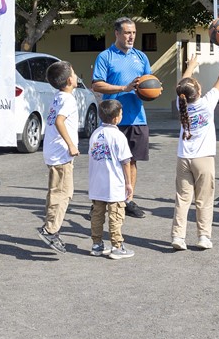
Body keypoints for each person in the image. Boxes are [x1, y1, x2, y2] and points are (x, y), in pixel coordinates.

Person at [171, 49, 219, 251]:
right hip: (203, 159)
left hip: (183, 158)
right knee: (204, 200)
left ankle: (178, 237)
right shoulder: (207, 104)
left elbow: (183, 85)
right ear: (198, 92)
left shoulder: (183, 106)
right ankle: (203, 237)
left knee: (182, 199)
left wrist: (190, 66)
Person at [92, 17, 151, 219]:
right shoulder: (105, 57)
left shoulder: (141, 57)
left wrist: (152, 91)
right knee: (107, 162)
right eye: (127, 32)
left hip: (137, 117)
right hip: (112, 120)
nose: (131, 36)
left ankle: (127, 200)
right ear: (117, 33)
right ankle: (100, 201)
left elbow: (149, 83)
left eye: (133, 32)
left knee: (132, 161)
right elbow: (97, 85)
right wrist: (123, 88)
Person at [37, 61, 79, 254]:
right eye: (75, 73)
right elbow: (60, 121)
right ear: (70, 80)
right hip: (61, 153)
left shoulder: (59, 97)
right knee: (63, 192)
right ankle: (50, 230)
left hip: (54, 152)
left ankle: (51, 227)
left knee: (57, 191)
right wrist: (71, 145)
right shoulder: (68, 100)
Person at [88, 100, 134, 260]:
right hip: (114, 184)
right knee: (115, 215)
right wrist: (128, 183)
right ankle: (117, 246)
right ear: (116, 118)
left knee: (97, 215)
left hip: (96, 184)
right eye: (121, 113)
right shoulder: (118, 136)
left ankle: (97, 244)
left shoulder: (95, 134)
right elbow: (126, 161)